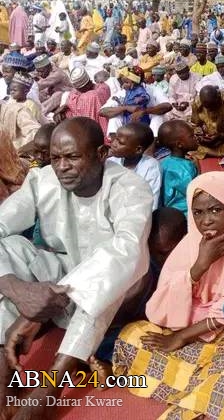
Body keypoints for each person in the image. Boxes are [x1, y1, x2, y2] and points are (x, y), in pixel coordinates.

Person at [0, 118, 153, 419]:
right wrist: (18, 291)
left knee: (111, 276)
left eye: (72, 157)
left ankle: (52, 384)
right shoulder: (42, 180)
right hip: (60, 273)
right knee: (12, 247)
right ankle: (4, 371)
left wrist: (33, 312)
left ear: (101, 154)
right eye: (56, 158)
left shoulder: (130, 188)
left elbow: (125, 253)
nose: (62, 167)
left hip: (117, 287)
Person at [112, 172, 224, 420]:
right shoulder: (190, 243)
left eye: (215, 210)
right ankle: (205, 387)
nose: (206, 220)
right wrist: (200, 265)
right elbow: (159, 307)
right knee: (132, 335)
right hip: (184, 328)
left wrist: (180, 337)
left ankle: (207, 387)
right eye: (198, 213)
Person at [93, 207, 187, 365]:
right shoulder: (145, 266)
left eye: (164, 252)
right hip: (138, 326)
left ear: (183, 241)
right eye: (153, 251)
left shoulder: (191, 263)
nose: (158, 258)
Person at [108, 122, 162, 209]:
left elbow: (152, 201)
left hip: (139, 212)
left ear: (138, 149)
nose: (114, 144)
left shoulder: (150, 166)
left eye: (120, 143)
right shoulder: (111, 162)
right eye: (115, 139)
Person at [158, 120, 199, 215]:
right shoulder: (184, 169)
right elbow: (196, 192)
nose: (196, 138)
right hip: (183, 212)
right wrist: (198, 168)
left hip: (168, 210)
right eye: (191, 136)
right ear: (179, 144)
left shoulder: (164, 162)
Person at [59, 68, 112, 134]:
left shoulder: (92, 95)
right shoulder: (104, 87)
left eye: (78, 89)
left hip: (93, 132)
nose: (77, 90)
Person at [0, 74, 42, 150]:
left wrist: (20, 149)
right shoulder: (9, 101)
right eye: (11, 90)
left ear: (26, 91)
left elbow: (33, 130)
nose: (12, 92)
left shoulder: (27, 106)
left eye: (15, 90)